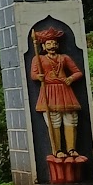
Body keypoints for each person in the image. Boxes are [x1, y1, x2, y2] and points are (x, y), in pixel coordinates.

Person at [29, 27, 84, 156]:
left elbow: (78, 72)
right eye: (49, 43)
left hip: (65, 90)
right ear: (43, 46)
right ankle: (57, 150)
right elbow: (33, 74)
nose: (52, 46)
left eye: (54, 43)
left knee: (70, 119)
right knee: (54, 121)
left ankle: (71, 149)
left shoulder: (64, 58)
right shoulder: (38, 59)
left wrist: (70, 78)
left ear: (58, 45)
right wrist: (38, 77)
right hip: (49, 90)